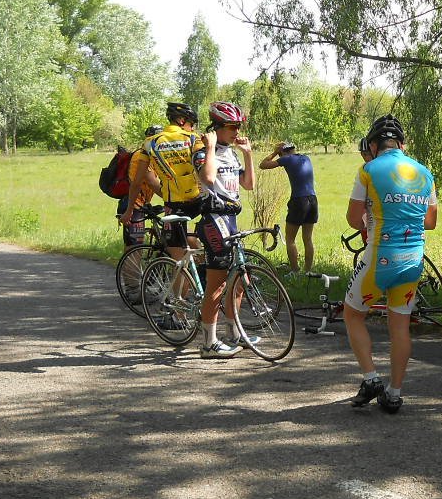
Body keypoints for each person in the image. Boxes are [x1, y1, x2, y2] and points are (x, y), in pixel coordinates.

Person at [345, 114, 437, 413]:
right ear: (401, 143)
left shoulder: (368, 170)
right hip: (412, 259)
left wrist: (371, 219)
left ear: (373, 145)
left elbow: (351, 217)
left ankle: (371, 378)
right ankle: (394, 393)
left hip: (379, 258)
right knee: (400, 328)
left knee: (352, 314)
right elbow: (431, 221)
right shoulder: (425, 173)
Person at [192, 101, 256, 359]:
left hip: (231, 220)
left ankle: (234, 334)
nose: (236, 130)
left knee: (238, 281)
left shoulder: (231, 152)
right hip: (212, 220)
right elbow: (207, 179)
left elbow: (248, 184)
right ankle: (209, 343)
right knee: (216, 286)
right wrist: (208, 147)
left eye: (238, 126)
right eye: (231, 126)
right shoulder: (202, 149)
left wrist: (249, 154)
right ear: (217, 127)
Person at [120, 103, 204, 262]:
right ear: (181, 120)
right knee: (199, 246)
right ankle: (207, 275)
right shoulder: (193, 139)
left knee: (178, 260)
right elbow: (207, 170)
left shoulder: (149, 143)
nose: (192, 128)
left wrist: (129, 210)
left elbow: (137, 182)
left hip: (173, 205)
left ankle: (189, 279)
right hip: (198, 200)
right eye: (191, 124)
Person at [259, 141, 317, 275]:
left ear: (282, 153)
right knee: (307, 238)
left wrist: (274, 152)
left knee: (290, 239)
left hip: (299, 200)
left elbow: (262, 165)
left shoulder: (286, 159)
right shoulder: (306, 158)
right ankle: (308, 271)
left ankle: (295, 271)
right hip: (313, 199)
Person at [117, 126, 164, 248]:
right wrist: (172, 198)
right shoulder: (141, 157)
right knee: (135, 246)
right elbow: (152, 182)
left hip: (142, 203)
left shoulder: (153, 155)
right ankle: (129, 268)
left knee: (137, 244)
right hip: (134, 204)